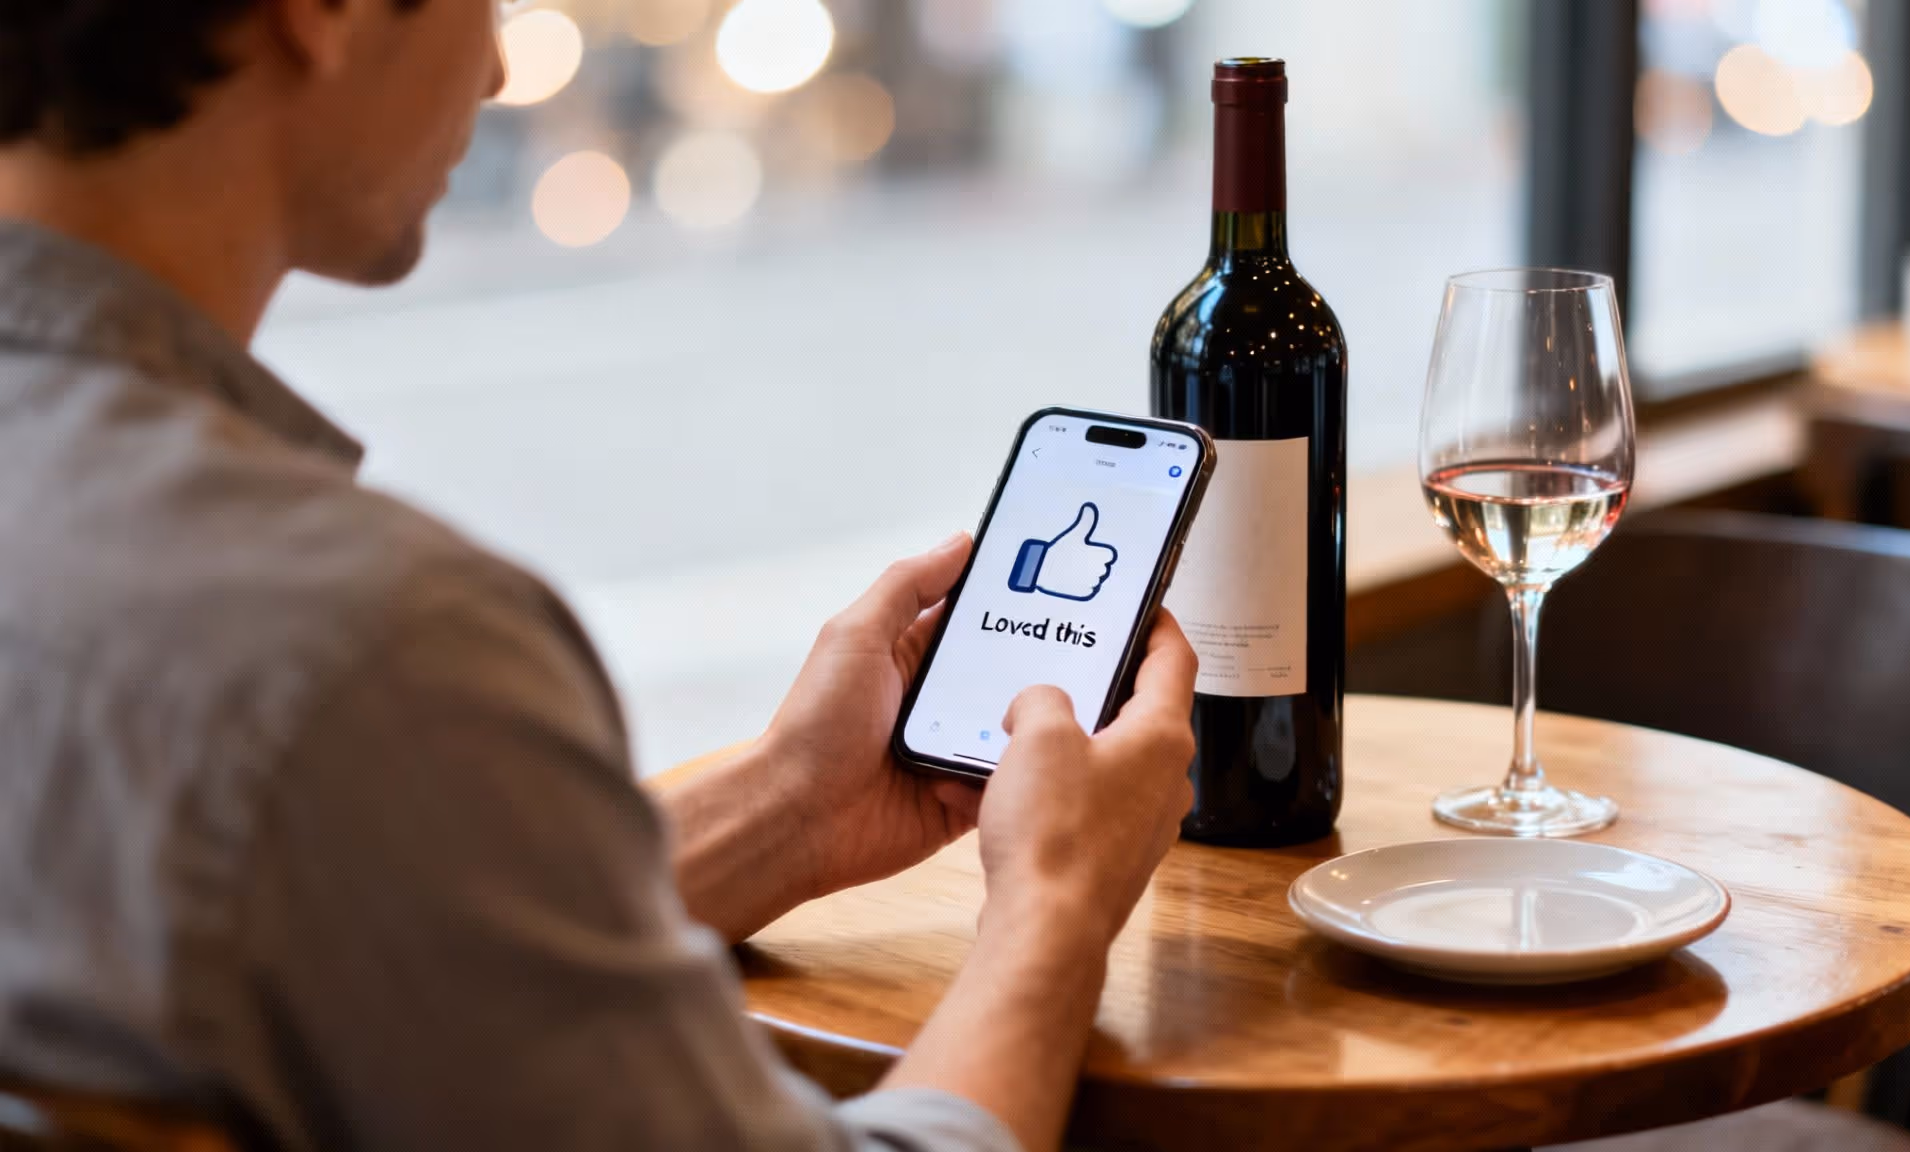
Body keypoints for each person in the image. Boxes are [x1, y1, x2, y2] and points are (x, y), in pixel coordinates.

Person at [0, 2, 1200, 1150]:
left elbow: (401, 951)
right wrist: (1052, 904)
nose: (500, 72)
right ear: (324, 8)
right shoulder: (363, 651)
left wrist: (789, 808)